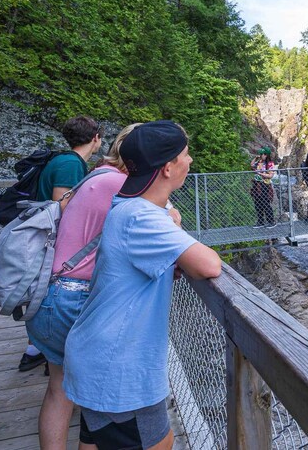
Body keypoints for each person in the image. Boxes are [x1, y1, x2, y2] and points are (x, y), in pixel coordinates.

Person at [63, 120, 222, 450]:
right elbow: (210, 264)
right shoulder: (143, 218)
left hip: (99, 355)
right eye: (185, 155)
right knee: (160, 444)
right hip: (119, 369)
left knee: (93, 443)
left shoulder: (127, 205)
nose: (190, 161)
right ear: (167, 168)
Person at [25, 124, 140, 450]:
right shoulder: (120, 184)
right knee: (95, 397)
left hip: (49, 294)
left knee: (58, 390)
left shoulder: (95, 175)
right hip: (75, 301)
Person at [20, 115, 104, 373]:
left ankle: (38, 349)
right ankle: (44, 353)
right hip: (52, 240)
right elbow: (63, 204)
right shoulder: (71, 164)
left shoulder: (64, 160)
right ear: (95, 138)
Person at [250, 147, 276, 228]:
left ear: (267, 155)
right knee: (257, 204)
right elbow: (251, 166)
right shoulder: (259, 162)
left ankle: (271, 221)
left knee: (265, 204)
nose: (261, 155)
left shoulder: (270, 164)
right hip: (257, 185)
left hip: (265, 185)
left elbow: (270, 175)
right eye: (261, 154)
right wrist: (256, 158)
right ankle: (260, 221)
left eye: (263, 154)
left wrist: (261, 174)